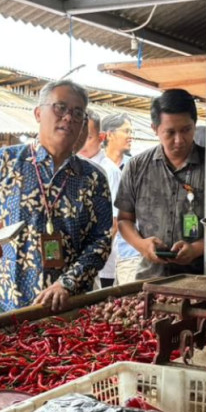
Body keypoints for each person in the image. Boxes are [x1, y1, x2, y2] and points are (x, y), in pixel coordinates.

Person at [0, 81, 112, 312]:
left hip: (69, 308)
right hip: (6, 306)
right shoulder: (1, 163)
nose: (68, 117)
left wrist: (68, 283)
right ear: (38, 113)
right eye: (60, 107)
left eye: (78, 113)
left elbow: (101, 240)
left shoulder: (93, 178)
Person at [116, 89, 205, 280]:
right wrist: (142, 245)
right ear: (155, 129)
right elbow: (124, 220)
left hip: (202, 280)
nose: (179, 140)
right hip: (150, 278)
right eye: (170, 132)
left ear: (195, 125)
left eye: (186, 130)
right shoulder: (136, 166)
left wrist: (197, 249)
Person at [77, 111, 124, 289]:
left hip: (101, 265)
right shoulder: (76, 167)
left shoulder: (107, 171)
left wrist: (92, 258)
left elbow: (114, 222)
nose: (81, 143)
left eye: (88, 137)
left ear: (101, 137)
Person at [100, 113, 142, 285]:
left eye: (131, 131)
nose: (130, 136)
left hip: (130, 253)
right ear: (109, 134)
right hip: (105, 256)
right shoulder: (98, 168)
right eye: (126, 131)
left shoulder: (136, 167)